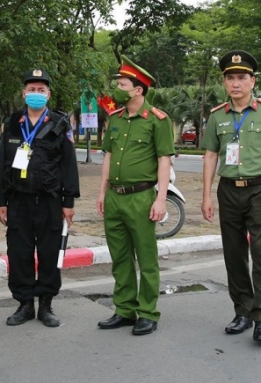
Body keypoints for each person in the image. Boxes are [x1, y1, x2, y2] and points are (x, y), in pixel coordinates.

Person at [200, 50, 261, 343]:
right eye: (230, 78)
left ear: (252, 81)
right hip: (228, 190)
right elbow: (211, 156)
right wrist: (206, 196)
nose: (235, 83)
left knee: (260, 253)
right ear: (224, 82)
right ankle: (242, 311)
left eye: (241, 77)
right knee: (234, 254)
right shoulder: (217, 116)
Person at [0, 69, 80, 328]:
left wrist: (69, 202)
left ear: (49, 94)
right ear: (24, 93)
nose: (36, 94)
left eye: (41, 90)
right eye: (32, 90)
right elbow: (3, 163)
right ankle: (25, 304)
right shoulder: (12, 122)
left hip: (50, 201)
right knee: (19, 253)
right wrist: (1, 200)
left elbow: (68, 164)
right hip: (19, 201)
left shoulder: (60, 123)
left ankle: (46, 305)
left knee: (49, 253)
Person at [95, 56, 175, 336]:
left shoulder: (158, 120)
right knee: (120, 257)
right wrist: (102, 191)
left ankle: (148, 312)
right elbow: (108, 156)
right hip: (115, 197)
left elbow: (165, 159)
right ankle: (125, 309)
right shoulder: (115, 119)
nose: (117, 88)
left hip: (141, 197)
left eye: (122, 84)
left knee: (146, 257)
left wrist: (161, 198)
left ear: (138, 89)